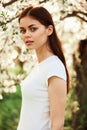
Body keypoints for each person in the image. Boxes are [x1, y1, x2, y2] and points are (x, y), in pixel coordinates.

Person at [17, 5, 69, 130]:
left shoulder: (54, 68)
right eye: (23, 30)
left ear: (49, 30)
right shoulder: (40, 66)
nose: (26, 35)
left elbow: (58, 124)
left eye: (33, 29)